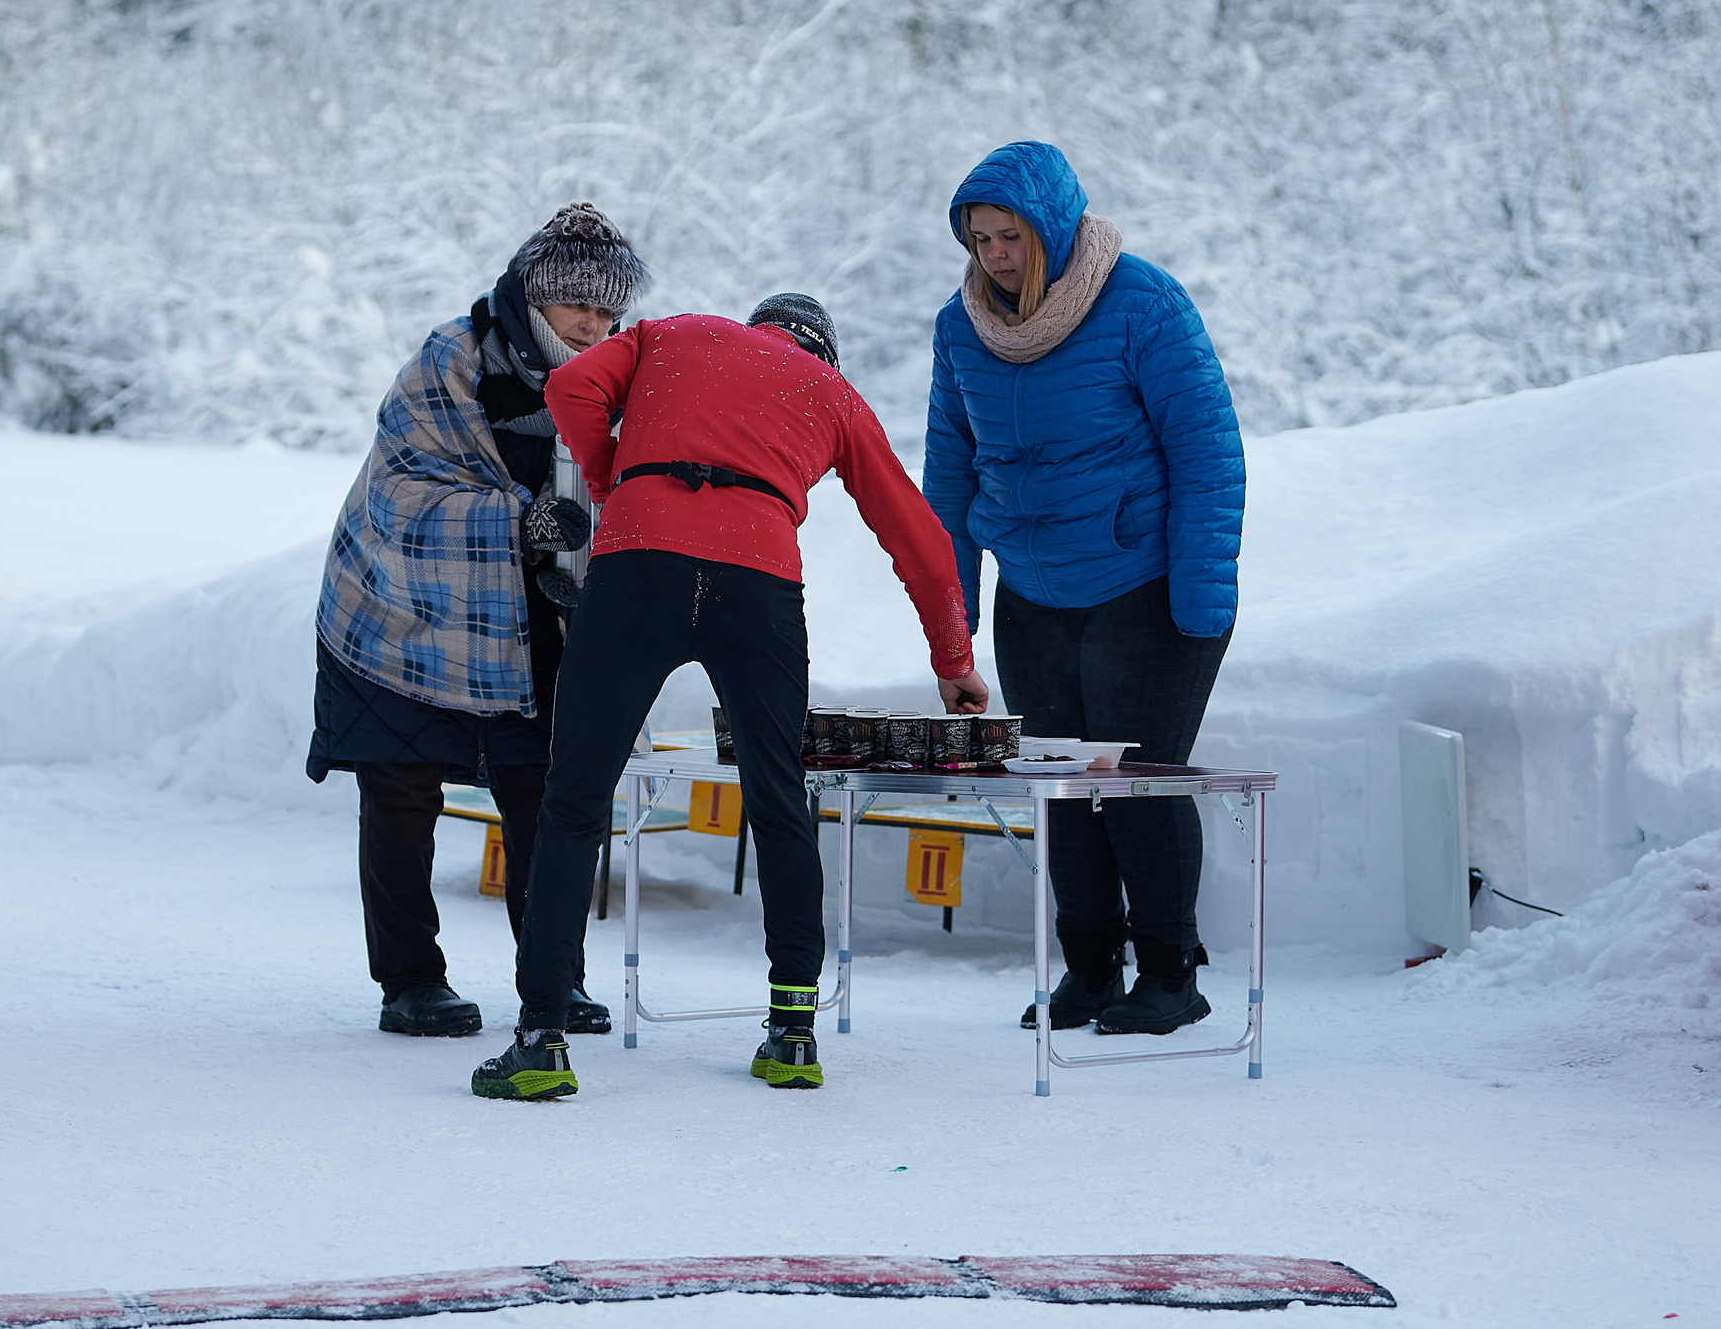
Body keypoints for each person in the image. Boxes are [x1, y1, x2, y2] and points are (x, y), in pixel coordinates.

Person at [470, 295, 992, 1100]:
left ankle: (541, 1038)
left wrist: (611, 473)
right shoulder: (833, 394)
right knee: (780, 800)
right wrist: (952, 658)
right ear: (826, 352)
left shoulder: (671, 334)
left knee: (574, 798)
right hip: (760, 579)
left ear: (758, 327)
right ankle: (792, 1033)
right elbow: (917, 533)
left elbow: (571, 385)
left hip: (638, 561)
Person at [923, 141, 1244, 1037]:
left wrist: (1201, 596)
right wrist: (954, 617)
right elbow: (947, 478)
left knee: (1137, 782)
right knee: (1058, 786)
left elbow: (1208, 455)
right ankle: (1093, 969)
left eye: (1010, 237)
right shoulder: (962, 328)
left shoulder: (1141, 300)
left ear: (1052, 230)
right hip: (1034, 593)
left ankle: (1172, 974)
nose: (994, 255)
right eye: (979, 239)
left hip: (1143, 586)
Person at [309, 204, 650, 1039]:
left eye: (609, 312)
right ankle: (410, 982)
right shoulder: (449, 360)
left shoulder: (617, 380)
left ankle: (553, 980)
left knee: (546, 792)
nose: (594, 324)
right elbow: (401, 493)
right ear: (536, 295)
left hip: (534, 619)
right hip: (399, 610)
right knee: (400, 791)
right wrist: (519, 522)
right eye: (580, 306)